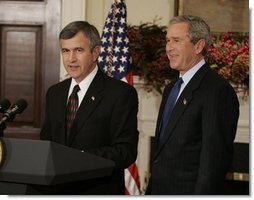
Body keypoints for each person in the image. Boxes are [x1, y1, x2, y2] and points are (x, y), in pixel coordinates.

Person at [40, 21, 139, 194]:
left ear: (95, 52)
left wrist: (81, 158)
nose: (71, 59)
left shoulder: (120, 94)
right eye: (65, 51)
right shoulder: (55, 93)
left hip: (96, 191)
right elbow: (47, 143)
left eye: (78, 50)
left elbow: (125, 151)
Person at [146, 15, 239, 195]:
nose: (168, 48)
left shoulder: (217, 91)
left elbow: (213, 164)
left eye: (176, 40)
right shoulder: (171, 88)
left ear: (199, 46)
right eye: (167, 40)